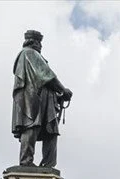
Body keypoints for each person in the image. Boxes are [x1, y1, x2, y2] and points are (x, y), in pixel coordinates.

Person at [12, 29, 72, 168]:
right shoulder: (29, 53)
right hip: (33, 99)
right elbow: (46, 75)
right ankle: (27, 162)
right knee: (32, 127)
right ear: (33, 42)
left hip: (45, 99)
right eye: (39, 42)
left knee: (51, 131)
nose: (41, 46)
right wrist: (63, 90)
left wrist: (57, 96)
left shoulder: (30, 55)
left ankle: (48, 164)